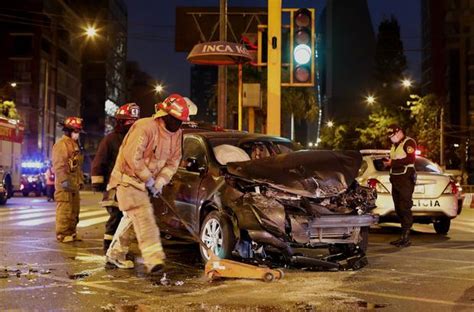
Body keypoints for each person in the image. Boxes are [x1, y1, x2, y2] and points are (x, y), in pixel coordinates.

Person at [106, 94, 197, 274]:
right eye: (176, 120)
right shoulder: (144, 127)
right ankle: (154, 260)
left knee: (132, 219)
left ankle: (114, 255)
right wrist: (148, 179)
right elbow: (133, 157)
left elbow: (173, 162)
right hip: (128, 178)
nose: (179, 124)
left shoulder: (176, 134)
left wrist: (160, 182)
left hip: (146, 183)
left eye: (181, 121)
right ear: (165, 115)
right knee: (143, 216)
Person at [91, 103, 140, 253]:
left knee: (126, 221)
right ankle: (109, 248)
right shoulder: (110, 139)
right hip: (114, 188)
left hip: (130, 188)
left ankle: (118, 248)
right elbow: (100, 162)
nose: (130, 126)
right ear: (120, 122)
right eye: (128, 122)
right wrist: (98, 183)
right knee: (115, 218)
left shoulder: (137, 140)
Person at [383, 124, 417, 248]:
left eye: (393, 135)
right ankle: (402, 236)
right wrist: (387, 163)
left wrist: (393, 162)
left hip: (405, 179)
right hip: (395, 179)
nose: (392, 138)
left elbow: (410, 159)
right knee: (398, 208)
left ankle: (406, 237)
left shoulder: (409, 142)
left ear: (399, 132)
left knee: (404, 206)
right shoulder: (394, 146)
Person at [52, 117, 84, 243]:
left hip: (73, 183)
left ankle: (71, 232)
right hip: (64, 185)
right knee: (65, 209)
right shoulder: (61, 145)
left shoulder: (73, 145)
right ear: (68, 130)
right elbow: (59, 166)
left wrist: (79, 181)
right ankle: (63, 234)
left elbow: (77, 167)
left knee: (74, 209)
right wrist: (64, 182)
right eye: (75, 131)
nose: (77, 133)